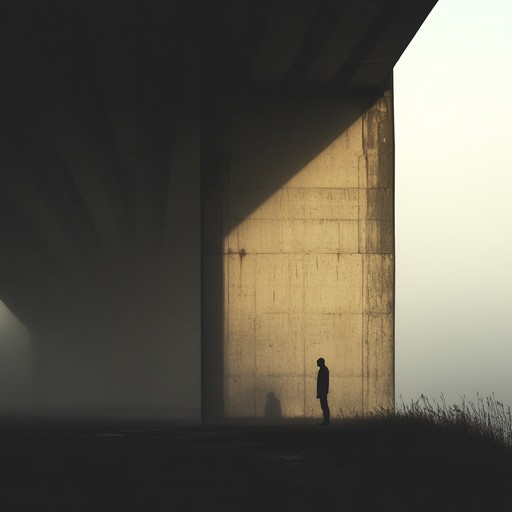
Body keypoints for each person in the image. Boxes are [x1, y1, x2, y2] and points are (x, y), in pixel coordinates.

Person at [316, 357, 330, 425]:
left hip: (323, 391)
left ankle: (326, 421)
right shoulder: (324, 369)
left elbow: (322, 382)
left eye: (318, 363)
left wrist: (321, 391)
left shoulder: (323, 370)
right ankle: (326, 421)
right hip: (323, 391)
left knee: (324, 406)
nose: (317, 364)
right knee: (324, 406)